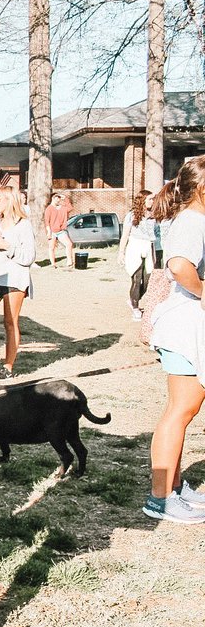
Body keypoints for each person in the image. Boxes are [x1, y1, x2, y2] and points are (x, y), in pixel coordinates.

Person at [143, 157, 205, 524]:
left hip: (188, 326)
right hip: (185, 327)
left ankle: (175, 488)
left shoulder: (194, 219)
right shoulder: (193, 221)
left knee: (184, 411)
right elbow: (181, 267)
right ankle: (160, 498)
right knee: (179, 412)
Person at [0, 186, 35, 379]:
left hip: (15, 277)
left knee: (9, 322)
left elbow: (29, 257)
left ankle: (8, 366)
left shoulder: (23, 224)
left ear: (8, 200)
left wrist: (8, 246)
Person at [118, 189, 157, 320]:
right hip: (135, 246)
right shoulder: (132, 215)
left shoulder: (154, 215)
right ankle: (135, 307)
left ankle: (133, 299)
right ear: (143, 200)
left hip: (148, 246)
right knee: (136, 277)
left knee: (148, 280)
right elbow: (125, 235)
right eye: (150, 199)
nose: (152, 201)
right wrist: (121, 253)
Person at [44, 192, 74, 268]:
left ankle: (69, 261)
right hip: (52, 231)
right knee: (52, 247)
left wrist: (65, 198)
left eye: (59, 198)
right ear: (52, 198)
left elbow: (70, 208)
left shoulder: (63, 208)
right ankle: (53, 264)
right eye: (56, 197)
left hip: (61, 231)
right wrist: (48, 232)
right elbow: (47, 221)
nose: (58, 199)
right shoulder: (49, 209)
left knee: (69, 244)